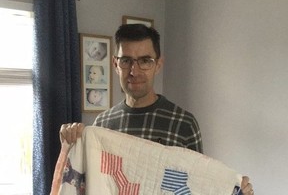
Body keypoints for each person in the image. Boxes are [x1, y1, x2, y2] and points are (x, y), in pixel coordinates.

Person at [60, 24, 254, 194]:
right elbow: (86, 184)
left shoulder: (183, 124)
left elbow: (199, 183)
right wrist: (71, 139)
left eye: (145, 61)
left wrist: (233, 188)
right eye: (126, 61)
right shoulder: (102, 126)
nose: (134, 72)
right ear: (115, 64)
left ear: (158, 64)